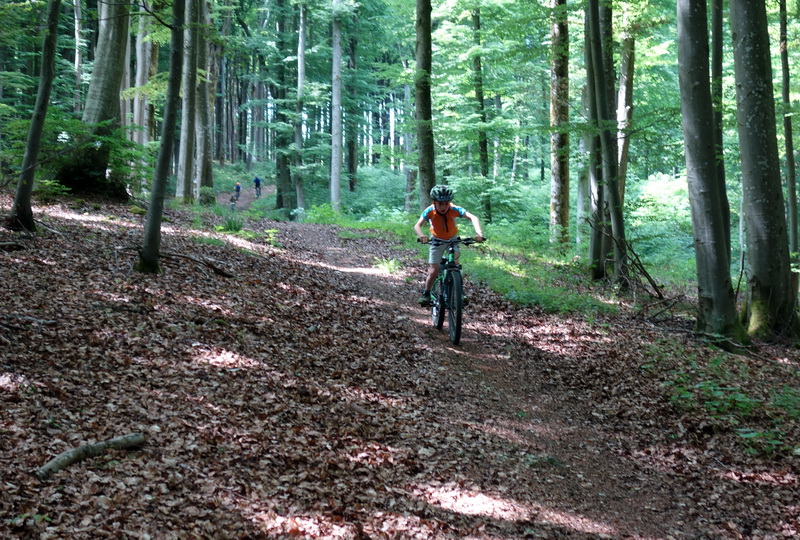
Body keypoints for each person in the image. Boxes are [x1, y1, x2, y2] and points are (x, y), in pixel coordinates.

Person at [414, 185, 485, 306]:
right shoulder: (430, 211)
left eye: (446, 203)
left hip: (452, 239)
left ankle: (460, 294)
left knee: (456, 265)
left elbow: (473, 217)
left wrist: (479, 233)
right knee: (434, 271)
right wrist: (422, 235)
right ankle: (426, 294)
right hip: (436, 240)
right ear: (434, 202)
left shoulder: (454, 209)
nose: (443, 207)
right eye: (440, 204)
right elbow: (417, 225)